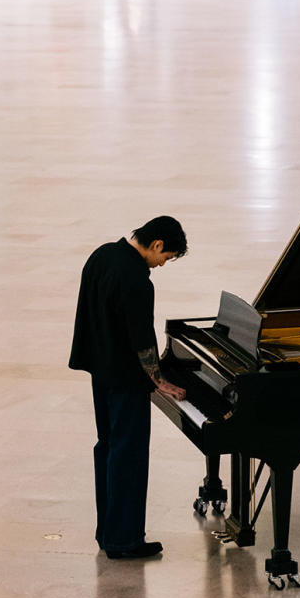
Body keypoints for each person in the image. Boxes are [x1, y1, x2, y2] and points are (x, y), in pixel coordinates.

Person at [70, 216, 188, 560]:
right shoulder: (137, 279)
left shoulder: (102, 255)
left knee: (107, 448)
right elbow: (142, 341)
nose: (164, 263)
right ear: (155, 245)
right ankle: (125, 541)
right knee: (129, 457)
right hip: (125, 381)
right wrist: (159, 381)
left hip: (100, 373)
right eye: (167, 256)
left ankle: (107, 533)